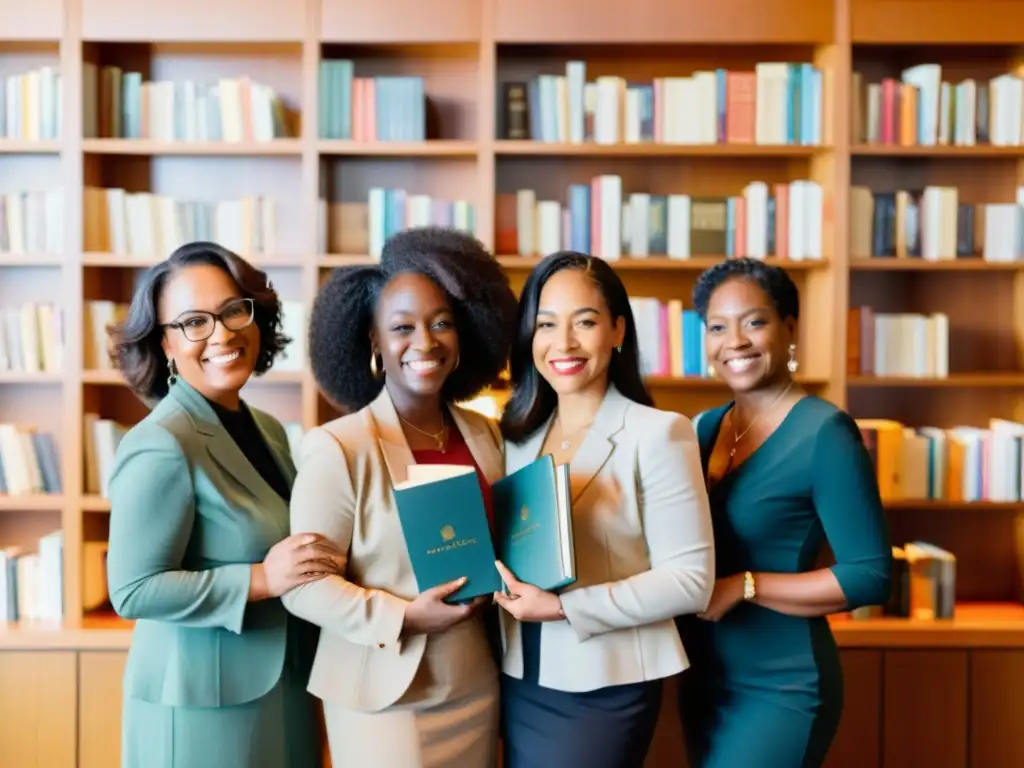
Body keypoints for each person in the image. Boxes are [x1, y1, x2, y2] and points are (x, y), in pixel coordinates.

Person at [280, 227, 519, 768]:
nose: (426, 342)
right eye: (403, 327)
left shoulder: (485, 435)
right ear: (374, 342)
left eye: (442, 324)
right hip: (381, 692)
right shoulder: (338, 447)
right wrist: (404, 616)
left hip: (474, 682)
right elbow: (303, 587)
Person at [105, 241, 341, 768]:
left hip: (286, 685)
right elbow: (132, 589)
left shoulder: (269, 430)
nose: (222, 333)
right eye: (193, 321)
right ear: (165, 343)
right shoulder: (160, 443)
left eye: (234, 310)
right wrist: (261, 579)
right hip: (200, 708)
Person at [494, 251, 716, 768]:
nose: (563, 343)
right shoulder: (515, 438)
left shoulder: (659, 433)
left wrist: (562, 608)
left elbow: (691, 579)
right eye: (546, 324)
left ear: (618, 330)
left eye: (585, 322)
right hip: (519, 673)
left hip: (603, 682)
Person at [675, 257, 893, 768]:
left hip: (782, 682)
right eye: (717, 327)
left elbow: (870, 576)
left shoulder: (825, 432)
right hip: (703, 677)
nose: (736, 341)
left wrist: (745, 584)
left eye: (754, 322)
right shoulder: (701, 428)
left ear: (789, 329)